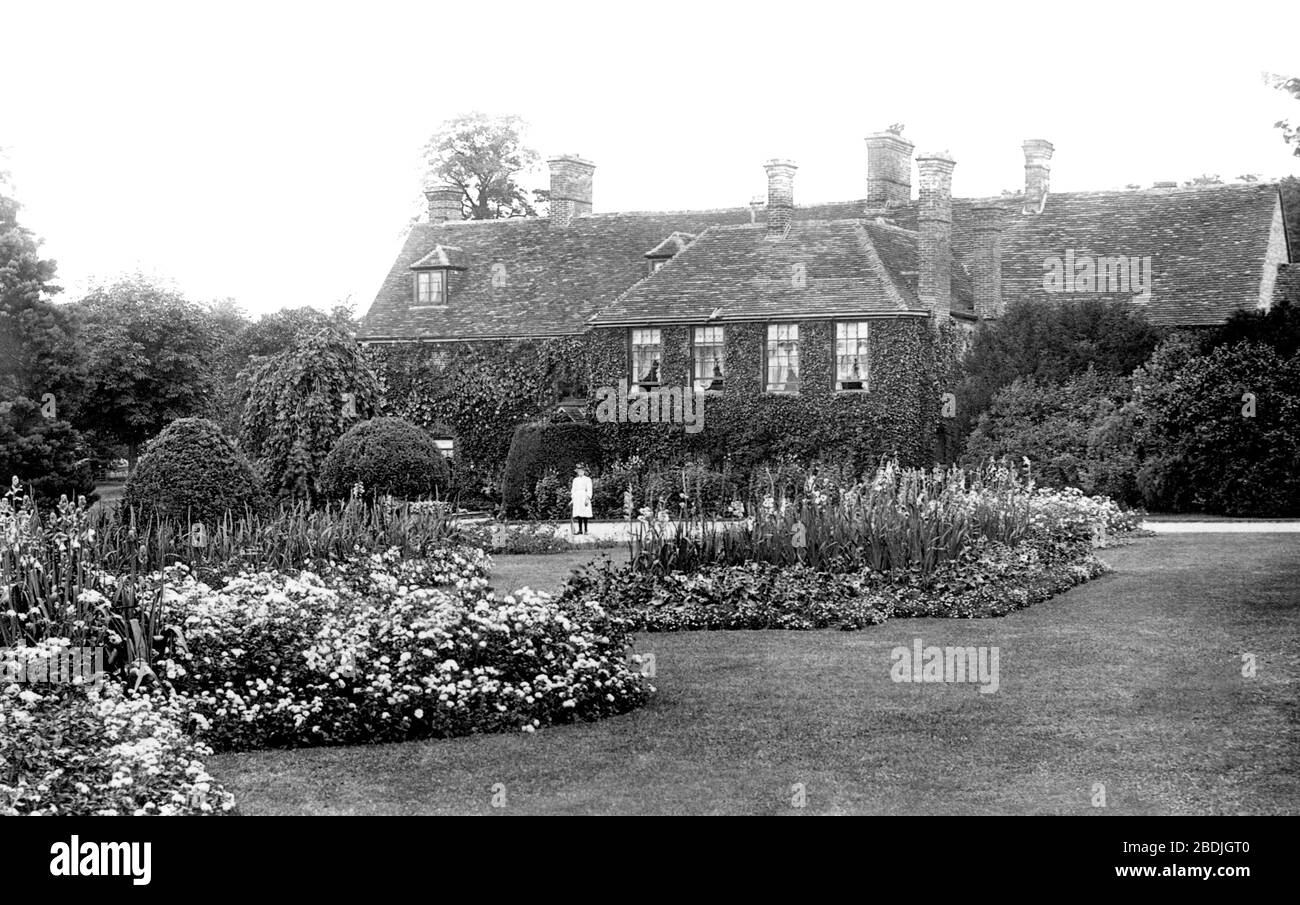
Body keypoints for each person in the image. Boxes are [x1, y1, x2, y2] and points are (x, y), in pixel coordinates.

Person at [571, 464, 593, 535]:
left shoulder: (587, 479)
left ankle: (586, 530)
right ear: (577, 472)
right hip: (577, 497)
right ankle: (580, 530)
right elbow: (573, 490)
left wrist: (588, 498)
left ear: (584, 471)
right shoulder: (575, 480)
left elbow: (589, 489)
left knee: (585, 513)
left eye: (582, 471)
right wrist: (572, 499)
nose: (580, 472)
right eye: (579, 471)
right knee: (579, 513)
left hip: (584, 496)